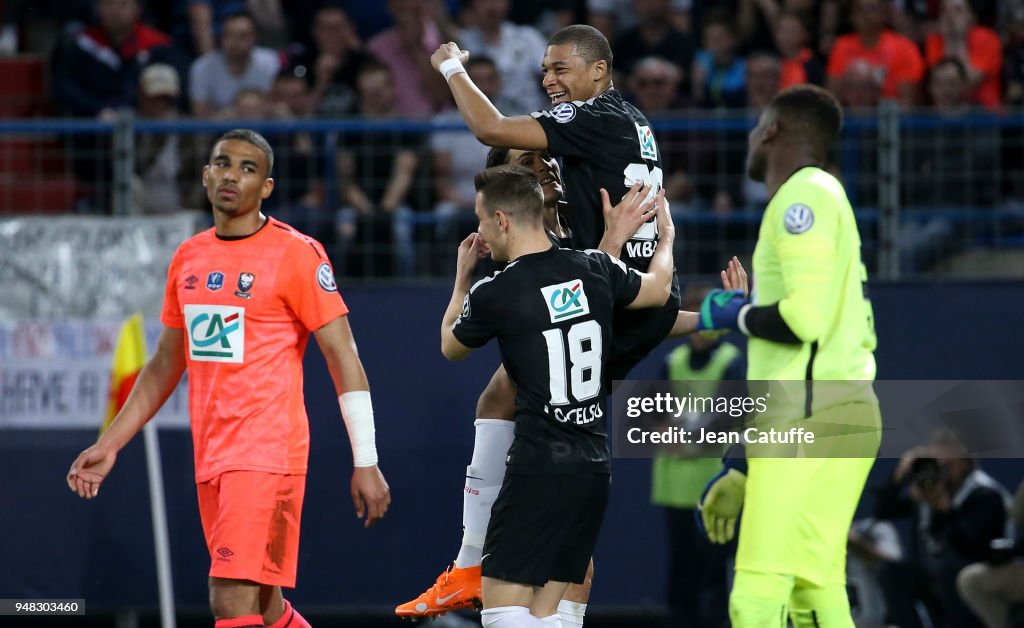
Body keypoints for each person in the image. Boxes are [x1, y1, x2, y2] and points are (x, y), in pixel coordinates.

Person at [66, 129, 391, 628]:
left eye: (247, 168)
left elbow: (343, 355)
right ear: (205, 175)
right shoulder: (190, 257)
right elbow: (165, 363)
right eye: (223, 164)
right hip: (213, 452)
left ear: (266, 187)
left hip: (266, 452)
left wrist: (365, 459)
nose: (231, 175)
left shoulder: (295, 254)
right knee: (266, 605)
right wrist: (111, 443)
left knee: (229, 597)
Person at [439, 164, 676, 627]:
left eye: (482, 218)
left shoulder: (497, 290)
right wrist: (665, 237)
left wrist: (462, 278)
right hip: (593, 466)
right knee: (555, 610)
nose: (480, 229)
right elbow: (659, 289)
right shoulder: (595, 266)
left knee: (503, 609)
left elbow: (450, 346)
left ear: (502, 220)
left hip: (538, 465)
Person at [694, 84, 882, 626]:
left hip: (808, 415)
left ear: (772, 130)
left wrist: (734, 314)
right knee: (812, 592)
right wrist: (745, 465)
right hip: (836, 409)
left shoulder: (801, 198)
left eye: (757, 126)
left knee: (756, 595)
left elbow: (802, 322)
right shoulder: (824, 194)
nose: (753, 137)